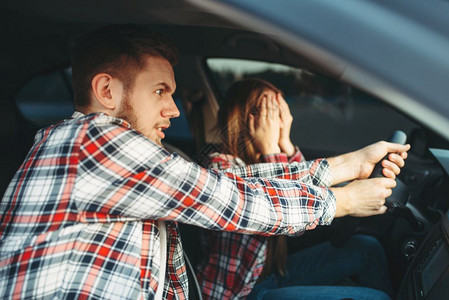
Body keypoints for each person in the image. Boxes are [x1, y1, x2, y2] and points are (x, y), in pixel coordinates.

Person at [0, 24, 409, 300]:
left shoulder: (108, 156)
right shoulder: (95, 141)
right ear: (107, 90)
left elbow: (238, 183)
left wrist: (348, 165)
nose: (174, 110)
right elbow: (229, 199)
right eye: (160, 91)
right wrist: (343, 203)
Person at [196, 78, 399, 300]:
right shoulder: (217, 168)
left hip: (269, 275)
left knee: (365, 249)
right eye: (273, 113)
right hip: (239, 294)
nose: (282, 121)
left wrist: (286, 144)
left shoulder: (266, 162)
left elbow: (304, 196)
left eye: (283, 112)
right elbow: (292, 218)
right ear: (249, 119)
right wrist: (271, 149)